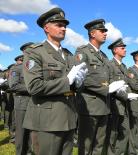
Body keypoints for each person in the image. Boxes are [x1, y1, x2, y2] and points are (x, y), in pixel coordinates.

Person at [22, 7, 87, 155]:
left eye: (65, 25)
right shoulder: (35, 52)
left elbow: (73, 86)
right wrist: (67, 81)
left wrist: (78, 83)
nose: (63, 28)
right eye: (59, 25)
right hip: (46, 121)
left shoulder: (68, 54)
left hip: (68, 118)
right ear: (46, 27)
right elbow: (34, 87)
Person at [75, 19, 126, 155]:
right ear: (92, 33)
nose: (105, 33)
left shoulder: (103, 56)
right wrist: (106, 89)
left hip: (104, 106)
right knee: (86, 145)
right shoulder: (82, 52)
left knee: (99, 144)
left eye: (105, 31)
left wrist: (115, 85)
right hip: (89, 107)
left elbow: (108, 76)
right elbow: (82, 78)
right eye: (102, 31)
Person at [106, 38, 138, 155]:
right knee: (113, 134)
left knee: (124, 132)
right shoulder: (109, 64)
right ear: (115, 50)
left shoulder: (124, 66)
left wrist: (130, 94)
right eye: (122, 48)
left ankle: (119, 152)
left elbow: (127, 83)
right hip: (114, 105)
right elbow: (110, 85)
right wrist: (126, 96)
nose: (125, 50)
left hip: (124, 104)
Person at [9, 42, 33, 155]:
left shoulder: (36, 67)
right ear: (24, 52)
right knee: (22, 132)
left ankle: (30, 152)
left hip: (36, 103)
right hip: (22, 103)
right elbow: (13, 85)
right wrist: (32, 88)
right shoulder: (17, 68)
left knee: (33, 132)